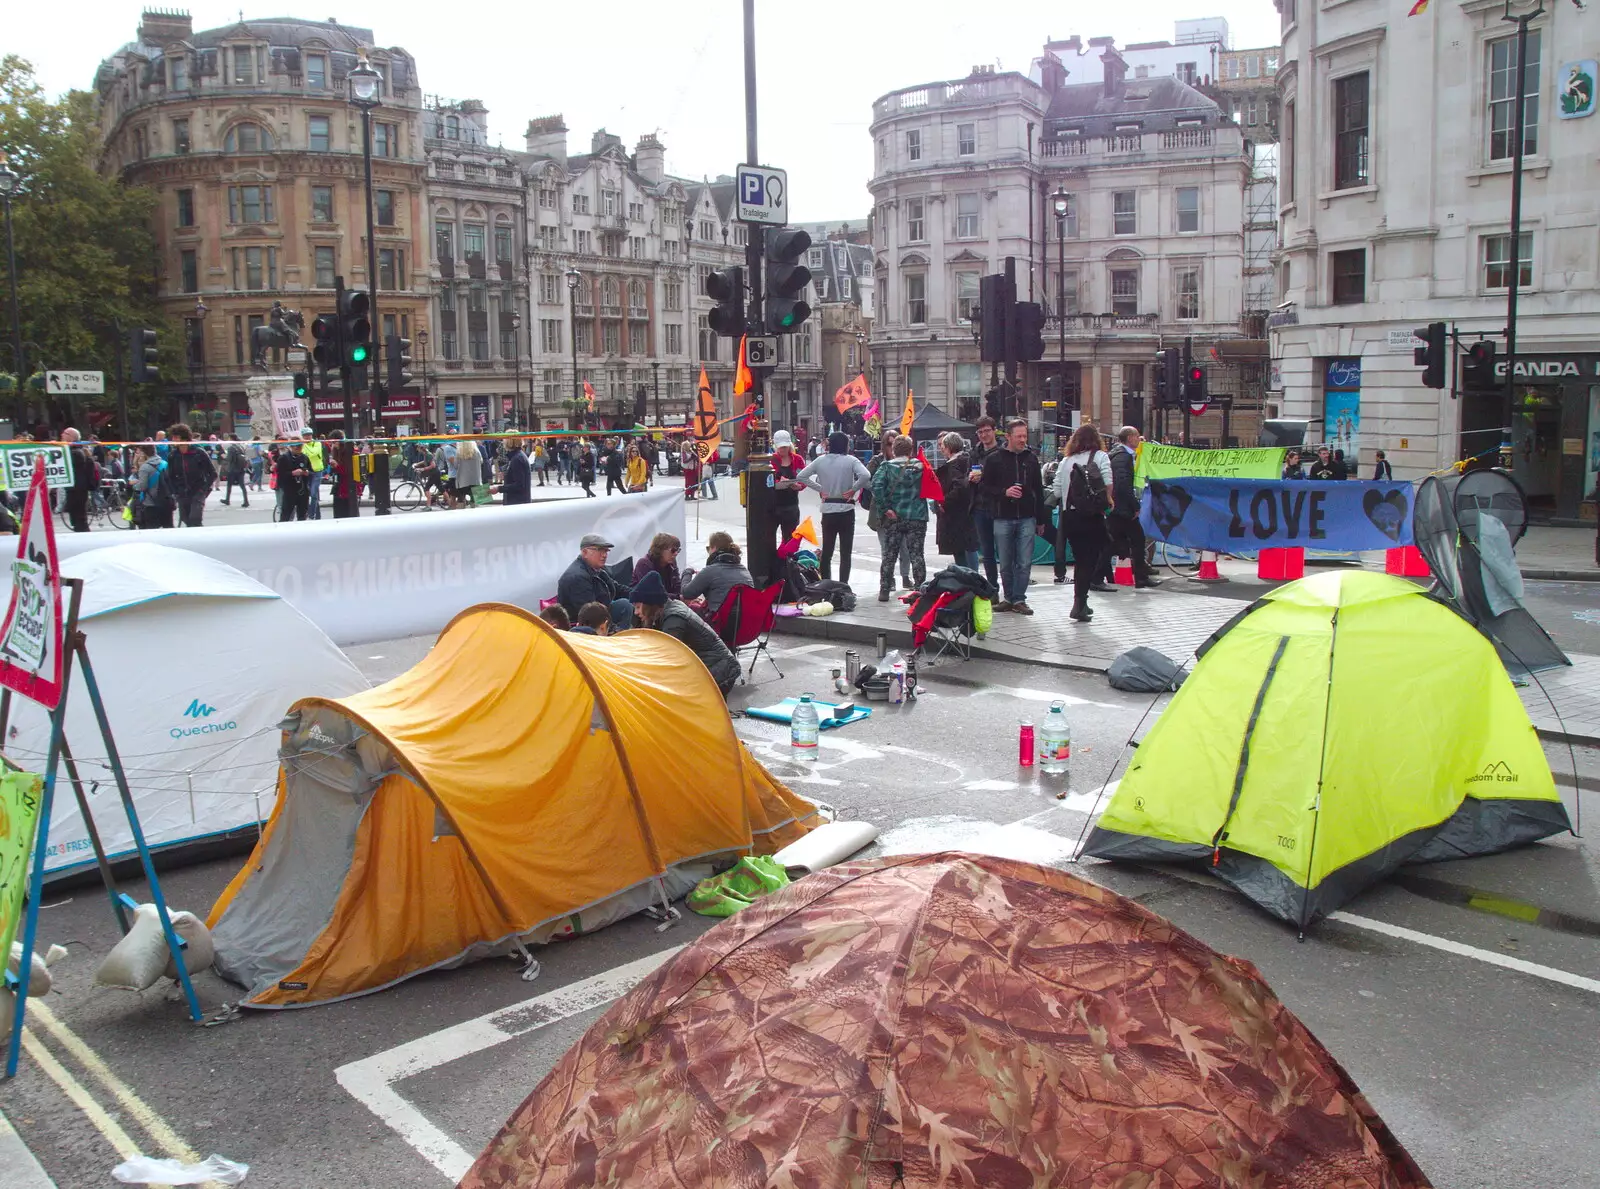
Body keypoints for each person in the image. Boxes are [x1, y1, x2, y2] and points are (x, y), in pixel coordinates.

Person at [631, 571, 742, 697]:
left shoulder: (674, 618)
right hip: (713, 666)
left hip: (719, 671)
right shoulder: (668, 608)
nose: (636, 612)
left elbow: (667, 658)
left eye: (638, 607)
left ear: (650, 605)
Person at [976, 419, 1045, 615]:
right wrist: (1004, 492)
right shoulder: (994, 459)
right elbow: (984, 487)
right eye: (1019, 436)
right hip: (1003, 516)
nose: (1023, 440)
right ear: (1008, 437)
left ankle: (1019, 598)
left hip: (1026, 517)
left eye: (1025, 436)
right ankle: (1008, 597)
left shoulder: (1030, 459)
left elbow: (1038, 491)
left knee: (1024, 561)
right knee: (1005, 561)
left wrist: (1041, 520)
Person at [1053, 425, 1115, 622]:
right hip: (1091, 515)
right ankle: (1080, 604)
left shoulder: (1066, 461)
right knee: (1090, 560)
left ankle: (1081, 602)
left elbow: (1056, 491)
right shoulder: (1100, 457)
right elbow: (1108, 482)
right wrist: (1108, 500)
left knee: (1081, 559)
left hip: (1069, 517)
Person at [797, 431, 871, 583]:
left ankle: (826, 584)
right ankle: (844, 585)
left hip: (828, 509)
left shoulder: (820, 460)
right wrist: (853, 489)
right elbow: (866, 475)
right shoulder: (851, 460)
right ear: (845, 445)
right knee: (845, 552)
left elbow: (801, 476)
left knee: (827, 552)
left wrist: (820, 489)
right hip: (846, 509)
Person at [870, 435, 929, 602]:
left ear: (894, 450)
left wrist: (885, 508)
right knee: (917, 554)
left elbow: (876, 485)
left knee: (889, 554)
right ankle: (919, 589)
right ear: (910, 449)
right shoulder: (921, 466)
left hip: (894, 517)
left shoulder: (887, 466)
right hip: (917, 515)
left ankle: (884, 589)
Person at [1106, 426, 1160, 590]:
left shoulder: (1120, 455)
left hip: (1117, 507)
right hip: (1122, 509)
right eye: (1136, 436)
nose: (1139, 439)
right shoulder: (1124, 458)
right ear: (1129, 438)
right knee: (1137, 539)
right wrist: (1135, 506)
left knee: (1116, 542)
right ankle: (1141, 578)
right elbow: (1123, 485)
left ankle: (1102, 576)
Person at [556, 532, 633, 632]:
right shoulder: (577, 577)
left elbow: (617, 588)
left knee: (624, 604)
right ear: (584, 552)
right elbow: (590, 612)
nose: (604, 555)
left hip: (599, 615)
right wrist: (615, 630)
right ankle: (617, 639)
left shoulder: (596, 569)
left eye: (606, 551)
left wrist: (640, 595)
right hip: (580, 627)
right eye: (600, 550)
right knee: (624, 605)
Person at [867, 431, 913, 590]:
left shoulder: (908, 463)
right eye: (889, 444)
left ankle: (906, 576)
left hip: (902, 511)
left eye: (895, 444)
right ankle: (889, 579)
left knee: (905, 548)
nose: (892, 448)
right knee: (887, 549)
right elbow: (870, 483)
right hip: (882, 513)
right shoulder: (878, 461)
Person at [933, 431, 980, 571]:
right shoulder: (967, 460)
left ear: (949, 447)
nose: (941, 448)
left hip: (956, 515)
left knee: (961, 552)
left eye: (943, 445)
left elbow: (959, 487)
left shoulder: (955, 465)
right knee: (968, 548)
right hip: (966, 512)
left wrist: (943, 502)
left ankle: (968, 581)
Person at [967, 416, 1002, 589]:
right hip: (980, 507)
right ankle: (992, 587)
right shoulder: (975, 453)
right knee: (987, 552)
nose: (983, 435)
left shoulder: (1003, 451)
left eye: (987, 430)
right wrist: (970, 479)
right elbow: (967, 476)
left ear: (994, 430)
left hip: (1000, 507)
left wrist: (985, 478)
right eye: (980, 432)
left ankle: (1010, 589)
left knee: (1004, 551)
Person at [681, 532, 755, 615]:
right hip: (744, 620)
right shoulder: (744, 570)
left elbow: (687, 593)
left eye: (708, 548)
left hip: (719, 622)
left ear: (714, 548)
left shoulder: (710, 570)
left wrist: (687, 572)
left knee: (684, 611)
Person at [165, 424, 216, 527]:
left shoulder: (198, 453)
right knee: (185, 518)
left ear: (184, 438)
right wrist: (175, 491)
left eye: (176, 437)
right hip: (182, 493)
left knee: (195, 518)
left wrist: (203, 490)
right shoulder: (173, 455)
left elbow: (213, 474)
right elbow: (170, 476)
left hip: (198, 491)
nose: (173, 440)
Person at [767, 430, 805, 554]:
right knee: (769, 538)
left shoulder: (798, 459)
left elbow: (804, 478)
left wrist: (799, 486)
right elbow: (766, 481)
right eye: (780, 447)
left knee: (789, 539)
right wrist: (778, 480)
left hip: (791, 504)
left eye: (785, 447)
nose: (783, 450)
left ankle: (786, 565)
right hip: (774, 505)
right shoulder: (771, 460)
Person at [61, 427, 96, 533]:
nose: (62, 435)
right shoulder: (78, 450)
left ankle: (83, 535)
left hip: (77, 489)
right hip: (76, 488)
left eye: (65, 433)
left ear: (71, 438)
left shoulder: (75, 452)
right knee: (77, 516)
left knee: (79, 517)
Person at [132, 444, 173, 530]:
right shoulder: (165, 464)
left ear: (144, 453)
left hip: (151, 503)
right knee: (168, 528)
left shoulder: (145, 467)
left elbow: (142, 487)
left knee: (151, 529)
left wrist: (135, 485)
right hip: (166, 501)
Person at [276, 438, 313, 521]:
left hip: (302, 490)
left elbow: (311, 472)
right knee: (286, 515)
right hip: (289, 491)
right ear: (290, 446)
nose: (297, 448)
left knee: (302, 516)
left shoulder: (305, 457)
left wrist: (307, 473)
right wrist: (292, 473)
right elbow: (280, 475)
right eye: (294, 446)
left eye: (299, 446)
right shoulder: (284, 458)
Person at [301, 429, 325, 519]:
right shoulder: (302, 445)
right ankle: (317, 515)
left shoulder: (317, 444)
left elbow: (312, 453)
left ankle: (311, 514)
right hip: (307, 472)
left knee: (313, 493)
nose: (307, 437)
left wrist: (305, 445)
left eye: (309, 435)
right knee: (308, 494)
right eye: (305, 435)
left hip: (317, 471)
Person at [221, 435, 250, 507]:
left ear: (231, 439)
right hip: (241, 468)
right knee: (242, 485)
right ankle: (246, 501)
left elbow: (229, 459)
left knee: (229, 485)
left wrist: (224, 457)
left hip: (233, 469)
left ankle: (227, 500)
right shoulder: (241, 447)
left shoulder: (231, 448)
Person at [501, 439, 532, 505]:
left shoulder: (517, 459)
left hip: (516, 502)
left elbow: (519, 485)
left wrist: (499, 489)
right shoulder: (518, 456)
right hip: (518, 501)